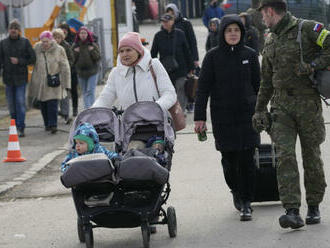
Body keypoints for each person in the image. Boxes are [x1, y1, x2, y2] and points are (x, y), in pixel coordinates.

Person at [253, 0, 329, 229]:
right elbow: (266, 79)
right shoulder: (271, 38)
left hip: (307, 104)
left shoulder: (308, 28)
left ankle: (314, 205)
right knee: (284, 155)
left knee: (311, 156)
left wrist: (314, 64)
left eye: (263, 15)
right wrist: (259, 109)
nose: (262, 20)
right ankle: (292, 210)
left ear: (269, 11)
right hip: (281, 105)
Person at [194, 14, 260, 221]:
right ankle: (236, 192)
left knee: (247, 160)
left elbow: (259, 87)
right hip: (223, 117)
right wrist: (199, 118)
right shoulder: (212, 57)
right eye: (229, 30)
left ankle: (247, 201)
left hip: (247, 116)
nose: (233, 34)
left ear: (242, 33)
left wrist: (262, 111)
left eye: (237, 30)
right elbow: (202, 89)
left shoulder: (250, 55)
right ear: (222, 33)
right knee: (229, 160)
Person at [93, 31, 176, 113]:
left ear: (138, 51)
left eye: (128, 50)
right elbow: (105, 98)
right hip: (128, 124)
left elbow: (169, 94)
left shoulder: (154, 65)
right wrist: (92, 113)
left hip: (155, 122)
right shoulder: (115, 73)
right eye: (121, 51)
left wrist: (155, 108)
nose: (124, 54)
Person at [29, 31, 71, 134]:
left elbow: (65, 66)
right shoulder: (37, 49)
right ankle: (47, 124)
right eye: (42, 41)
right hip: (41, 82)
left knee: (52, 103)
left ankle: (53, 125)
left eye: (46, 41)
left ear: (51, 40)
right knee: (43, 104)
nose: (44, 44)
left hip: (54, 81)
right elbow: (31, 61)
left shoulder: (59, 49)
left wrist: (66, 83)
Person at [151, 13, 194, 112]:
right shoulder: (158, 36)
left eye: (167, 21)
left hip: (181, 68)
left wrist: (191, 68)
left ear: (172, 21)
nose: (165, 23)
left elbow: (186, 51)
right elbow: (153, 54)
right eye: (163, 21)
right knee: (167, 91)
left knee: (181, 89)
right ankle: (169, 111)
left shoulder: (180, 34)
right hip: (165, 69)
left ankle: (180, 112)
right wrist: (153, 69)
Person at [0, 19, 36, 137]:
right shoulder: (3, 43)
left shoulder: (25, 42)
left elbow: (32, 59)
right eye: (11, 28)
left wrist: (19, 61)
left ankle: (21, 127)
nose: (13, 30)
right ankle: (13, 126)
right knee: (11, 104)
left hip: (21, 78)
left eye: (16, 28)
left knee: (20, 102)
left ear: (19, 30)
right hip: (8, 78)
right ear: (9, 30)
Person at [165, 3, 199, 113]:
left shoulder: (185, 23)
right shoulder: (166, 25)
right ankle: (179, 106)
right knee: (176, 86)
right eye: (168, 13)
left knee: (187, 84)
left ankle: (189, 103)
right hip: (172, 61)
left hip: (186, 58)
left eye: (172, 13)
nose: (171, 16)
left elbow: (192, 41)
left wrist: (195, 59)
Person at [73, 26, 101, 109]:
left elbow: (98, 58)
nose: (83, 35)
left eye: (84, 33)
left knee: (90, 91)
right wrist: (76, 52)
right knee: (84, 91)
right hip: (81, 72)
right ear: (78, 35)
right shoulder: (75, 46)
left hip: (92, 71)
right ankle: (87, 109)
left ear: (88, 34)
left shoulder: (93, 45)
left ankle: (93, 108)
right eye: (81, 33)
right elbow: (72, 60)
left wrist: (92, 50)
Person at [52, 28, 74, 124]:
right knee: (54, 96)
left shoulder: (66, 46)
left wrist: (63, 65)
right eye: (55, 37)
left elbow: (71, 60)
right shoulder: (51, 47)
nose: (57, 40)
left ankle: (66, 114)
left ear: (62, 38)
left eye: (59, 37)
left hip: (64, 74)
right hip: (54, 75)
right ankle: (56, 113)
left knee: (65, 95)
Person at [58, 22, 79, 116]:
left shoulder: (73, 39)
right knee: (63, 91)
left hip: (72, 69)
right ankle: (64, 111)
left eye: (65, 30)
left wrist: (68, 65)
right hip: (61, 71)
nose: (63, 32)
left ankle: (75, 108)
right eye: (61, 30)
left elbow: (74, 56)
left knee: (73, 90)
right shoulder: (56, 42)